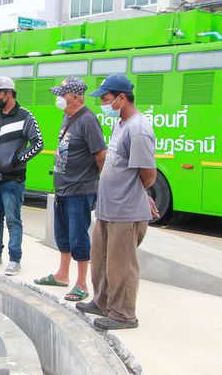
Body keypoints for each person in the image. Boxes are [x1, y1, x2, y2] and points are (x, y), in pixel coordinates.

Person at [76, 74, 158, 330]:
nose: (103, 104)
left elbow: (148, 174)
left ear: (121, 98)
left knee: (121, 265)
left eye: (106, 99)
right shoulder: (121, 124)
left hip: (125, 211)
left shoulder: (138, 129)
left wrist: (138, 196)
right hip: (108, 208)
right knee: (100, 260)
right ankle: (102, 302)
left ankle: (123, 315)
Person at [33, 77, 107, 301]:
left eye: (62, 94)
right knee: (63, 235)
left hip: (80, 189)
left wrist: (92, 180)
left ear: (75, 97)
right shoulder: (67, 116)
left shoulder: (88, 120)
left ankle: (82, 283)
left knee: (78, 237)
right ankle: (62, 274)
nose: (58, 98)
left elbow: (101, 155)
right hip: (63, 188)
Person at [0, 76, 43, 276]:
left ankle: (15, 259)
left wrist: (17, 160)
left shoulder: (25, 116)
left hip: (13, 180)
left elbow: (38, 144)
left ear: (9, 93)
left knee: (13, 220)